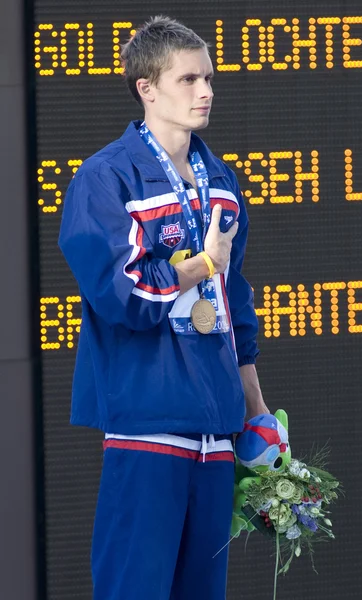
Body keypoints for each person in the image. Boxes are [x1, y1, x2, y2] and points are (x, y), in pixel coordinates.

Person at [59, 15, 270, 600]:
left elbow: (235, 310)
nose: (205, 92)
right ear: (145, 87)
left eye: (208, 79)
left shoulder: (222, 182)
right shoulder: (106, 178)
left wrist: (257, 412)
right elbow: (120, 296)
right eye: (188, 80)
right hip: (148, 426)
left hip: (218, 427)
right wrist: (200, 265)